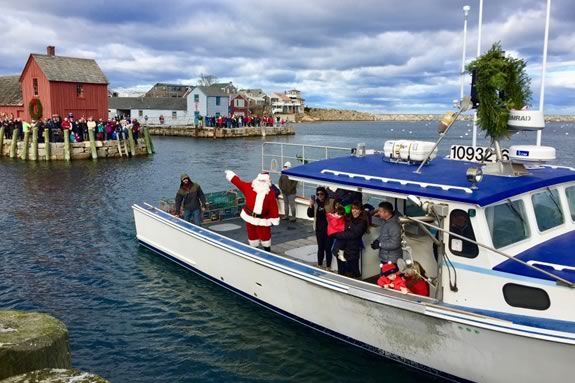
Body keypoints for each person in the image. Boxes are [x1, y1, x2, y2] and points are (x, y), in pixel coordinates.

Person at [225, 170, 279, 252]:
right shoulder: (249, 186)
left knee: (265, 236)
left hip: (262, 219)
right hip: (249, 216)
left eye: (263, 181)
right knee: (252, 235)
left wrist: (274, 218)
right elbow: (238, 183)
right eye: (261, 180)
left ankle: (267, 250)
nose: (261, 182)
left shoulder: (270, 193)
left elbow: (273, 207)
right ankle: (254, 249)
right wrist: (231, 176)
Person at [332, 201, 369, 278]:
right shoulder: (347, 218)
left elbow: (354, 235)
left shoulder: (362, 222)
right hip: (340, 249)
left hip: (352, 251)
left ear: (361, 210)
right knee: (341, 271)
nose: (354, 211)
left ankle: (357, 283)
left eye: (357, 209)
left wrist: (338, 235)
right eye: (353, 209)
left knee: (354, 271)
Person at [307, 186, 334, 269]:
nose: (319, 196)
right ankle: (319, 264)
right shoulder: (315, 203)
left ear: (325, 194)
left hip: (328, 229)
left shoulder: (330, 202)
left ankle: (328, 266)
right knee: (320, 248)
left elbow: (337, 211)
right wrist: (311, 205)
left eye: (321, 194)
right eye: (318, 194)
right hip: (319, 229)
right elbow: (310, 215)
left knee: (328, 249)